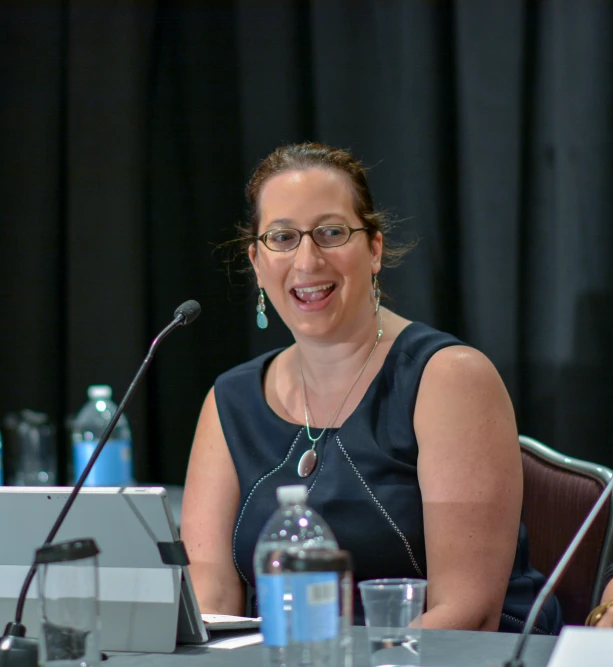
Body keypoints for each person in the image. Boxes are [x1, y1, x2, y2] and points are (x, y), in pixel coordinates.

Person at [181, 142, 563, 633]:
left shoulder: (448, 379)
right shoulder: (228, 402)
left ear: (375, 249)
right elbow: (211, 599)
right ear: (256, 261)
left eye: (332, 232)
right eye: (282, 238)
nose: (306, 260)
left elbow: (470, 612)